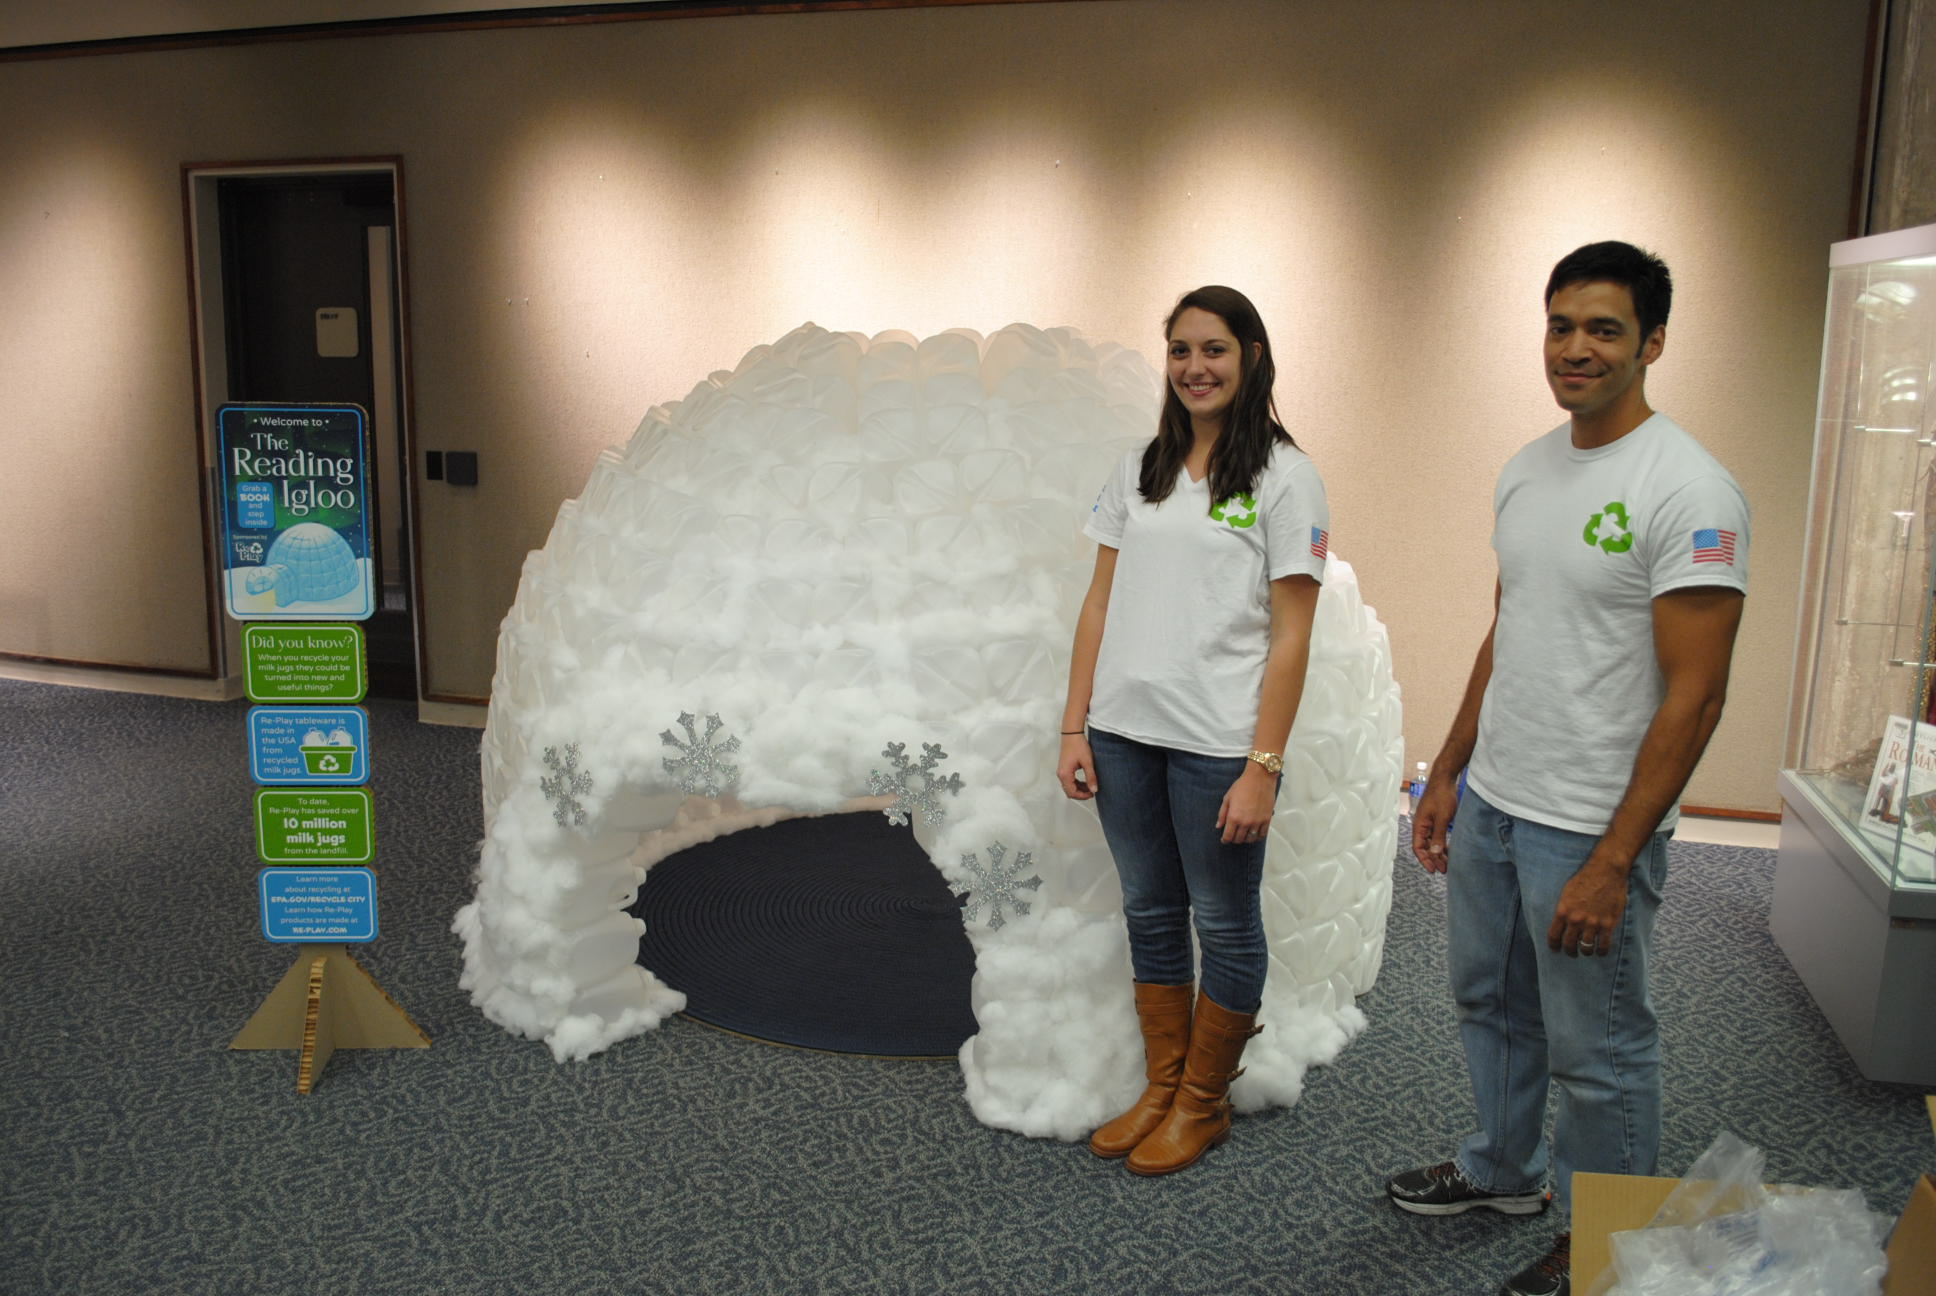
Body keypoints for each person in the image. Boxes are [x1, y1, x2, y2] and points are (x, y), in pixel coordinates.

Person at [1386, 242, 1750, 1296]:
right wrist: (1450, 768)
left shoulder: (1689, 488)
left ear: (1652, 343)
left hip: (1589, 826)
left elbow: (1697, 695)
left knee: (1600, 1051)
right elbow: (1510, 630)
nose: (1575, 348)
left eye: (1602, 328)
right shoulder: (1528, 468)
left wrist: (1612, 857)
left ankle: (1610, 1243)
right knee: (1487, 1003)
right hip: (1499, 801)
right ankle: (1503, 1171)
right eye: (1559, 325)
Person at [1055, 285, 1326, 1176]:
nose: (1195, 368)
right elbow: (1099, 603)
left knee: (1226, 919)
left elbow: (1292, 636)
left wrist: (1265, 767)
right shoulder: (1141, 467)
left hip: (1218, 747)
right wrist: (1074, 725)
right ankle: (1162, 1089)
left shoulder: (1287, 478)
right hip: (1125, 734)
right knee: (1150, 910)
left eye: (1213, 349)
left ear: (1251, 354)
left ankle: (1202, 1104)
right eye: (1179, 350)